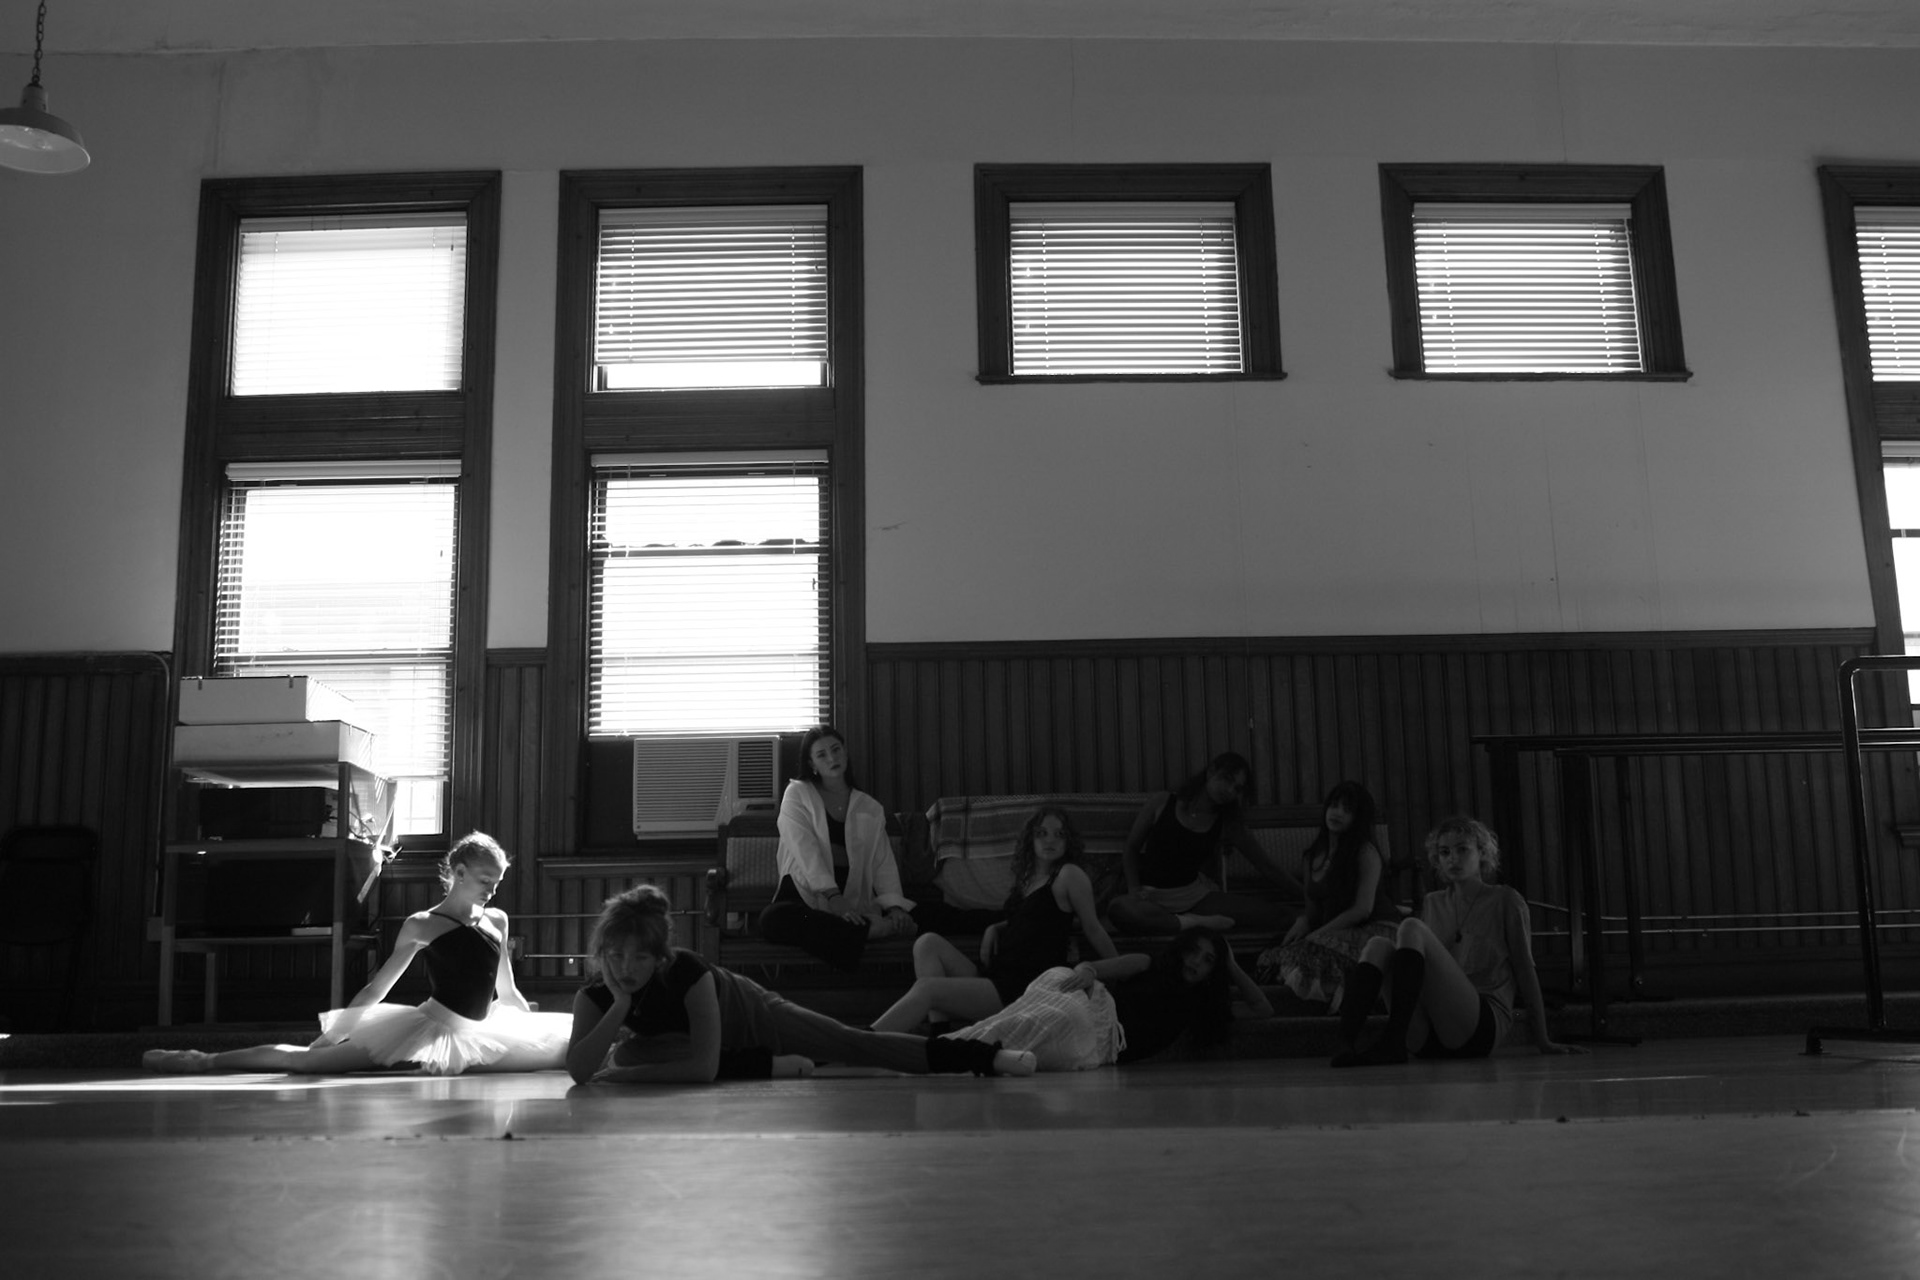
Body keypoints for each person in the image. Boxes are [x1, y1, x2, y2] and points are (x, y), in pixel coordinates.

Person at [143, 832, 571, 1075]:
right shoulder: (423, 924)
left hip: (481, 1028)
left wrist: (528, 1026)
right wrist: (333, 1034)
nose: (492, 890)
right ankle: (202, 1060)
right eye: (484, 880)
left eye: (497, 882)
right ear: (458, 873)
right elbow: (377, 989)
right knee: (309, 1064)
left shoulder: (497, 920)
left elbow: (507, 991)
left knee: (557, 1050)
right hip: (430, 1026)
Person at [570, 884, 1035, 1085]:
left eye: (640, 957)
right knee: (630, 1051)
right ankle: (769, 1067)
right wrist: (620, 1005)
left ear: (660, 956)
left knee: (857, 1045)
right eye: (616, 955)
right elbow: (579, 1071)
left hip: (757, 1017)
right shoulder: (593, 995)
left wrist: (625, 1078)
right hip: (703, 1047)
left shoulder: (688, 972)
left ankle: (984, 1056)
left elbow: (703, 1070)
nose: (626, 967)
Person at [1332, 816, 1586, 1067]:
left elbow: (1525, 970)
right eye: (1444, 852)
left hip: (1478, 1027)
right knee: (1378, 945)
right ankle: (1345, 1043)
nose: (1453, 858)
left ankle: (1394, 1039)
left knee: (1411, 926)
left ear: (1482, 853)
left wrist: (1543, 1039)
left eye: (1462, 849)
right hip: (1429, 1035)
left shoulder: (1505, 900)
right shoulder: (1433, 902)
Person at [870, 805, 1120, 1034]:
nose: (1050, 840)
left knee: (927, 989)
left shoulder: (1069, 875)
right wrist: (995, 928)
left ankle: (863, 1040)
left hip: (1022, 987)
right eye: (1042, 833)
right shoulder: (1027, 879)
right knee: (927, 943)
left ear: (1068, 841)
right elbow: (1030, 919)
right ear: (1031, 839)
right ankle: (942, 1033)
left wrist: (1121, 973)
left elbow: (1093, 928)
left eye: (1059, 834)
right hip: (998, 974)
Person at [939, 926, 1273, 1072]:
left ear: (1214, 971)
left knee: (1055, 1022)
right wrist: (1086, 972)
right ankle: (950, 1047)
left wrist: (1231, 964)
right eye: (1194, 952)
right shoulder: (1147, 963)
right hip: (1092, 1005)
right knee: (1058, 979)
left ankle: (953, 1051)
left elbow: (1263, 1008)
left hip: (1101, 1043)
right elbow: (1090, 967)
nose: (1196, 962)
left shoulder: (1200, 1007)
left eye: (1208, 960)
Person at [757, 725, 916, 972]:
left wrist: (895, 909)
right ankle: (869, 930)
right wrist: (832, 896)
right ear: (811, 764)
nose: (832, 758)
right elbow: (804, 849)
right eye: (822, 755)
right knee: (772, 919)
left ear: (845, 753)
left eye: (836, 750)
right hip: (804, 897)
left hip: (851, 902)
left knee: (933, 916)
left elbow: (882, 862)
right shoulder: (797, 794)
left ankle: (860, 929)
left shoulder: (869, 807)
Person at [1106, 752, 1301, 935]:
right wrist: (1134, 889)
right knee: (1119, 909)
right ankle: (1191, 923)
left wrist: (1307, 897)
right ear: (1211, 771)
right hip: (1150, 898)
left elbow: (1266, 866)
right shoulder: (1162, 802)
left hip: (1193, 898)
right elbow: (1131, 848)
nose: (1229, 790)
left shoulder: (1228, 823)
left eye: (1237, 789)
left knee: (1279, 915)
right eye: (1227, 779)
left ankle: (1180, 921)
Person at [1255, 780, 1402, 1008]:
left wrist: (1318, 935)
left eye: (1347, 810)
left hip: (1375, 928)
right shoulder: (1311, 856)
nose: (1337, 813)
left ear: (1358, 818)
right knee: (1278, 954)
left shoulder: (1365, 852)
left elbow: (1362, 910)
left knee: (1312, 949)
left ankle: (1346, 1003)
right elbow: (1313, 911)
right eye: (1334, 805)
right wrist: (1304, 920)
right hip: (1335, 929)